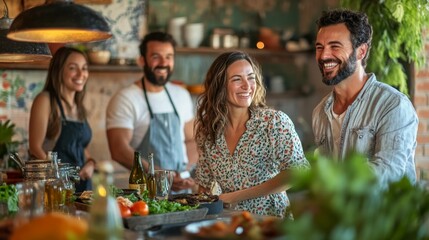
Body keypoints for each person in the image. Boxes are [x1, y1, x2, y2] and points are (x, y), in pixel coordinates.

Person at [194, 51, 310, 218]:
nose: (247, 86)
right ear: (219, 85)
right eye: (236, 79)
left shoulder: (273, 122)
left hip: (271, 223)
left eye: (251, 77)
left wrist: (233, 196)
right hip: (231, 225)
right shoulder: (208, 131)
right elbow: (204, 189)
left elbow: (298, 173)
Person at [312, 9, 418, 187]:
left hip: (384, 215)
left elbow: (388, 174)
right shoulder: (320, 112)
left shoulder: (393, 105)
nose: (324, 56)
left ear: (361, 51)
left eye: (335, 46)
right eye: (319, 47)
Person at [106, 31, 196, 192]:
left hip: (182, 191)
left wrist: (181, 174)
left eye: (169, 56)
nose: (163, 63)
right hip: (146, 192)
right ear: (142, 60)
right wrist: (160, 176)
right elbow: (119, 150)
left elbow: (192, 140)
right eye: (156, 57)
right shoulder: (125, 98)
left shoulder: (181, 95)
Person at [29, 46, 96, 192]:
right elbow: (35, 147)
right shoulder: (45, 100)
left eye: (84, 68)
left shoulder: (79, 107)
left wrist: (90, 163)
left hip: (82, 187)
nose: (81, 74)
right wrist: (59, 176)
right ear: (59, 70)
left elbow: (80, 147)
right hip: (55, 187)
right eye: (73, 68)